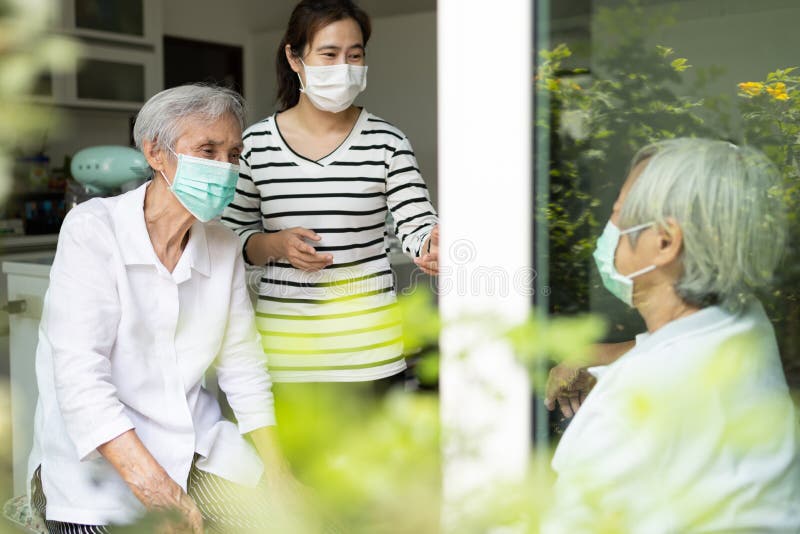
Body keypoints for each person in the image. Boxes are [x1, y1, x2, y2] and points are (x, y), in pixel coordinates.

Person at [27, 84, 301, 533]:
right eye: (207, 150)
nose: (224, 168)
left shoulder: (224, 244)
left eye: (233, 155)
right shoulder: (93, 229)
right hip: (98, 460)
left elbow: (243, 366)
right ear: (156, 152)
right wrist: (159, 491)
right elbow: (80, 379)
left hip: (192, 444)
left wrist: (280, 473)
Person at [543, 139, 800, 532]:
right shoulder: (745, 321)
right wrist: (598, 354)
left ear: (664, 241)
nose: (609, 230)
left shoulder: (632, 407)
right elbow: (674, 344)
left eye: (618, 214)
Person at [221, 0, 439, 386]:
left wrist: (430, 244)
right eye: (329, 54)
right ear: (294, 57)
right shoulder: (253, 145)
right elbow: (231, 238)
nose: (344, 67)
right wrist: (276, 246)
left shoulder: (387, 142)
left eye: (354, 56)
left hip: (372, 355)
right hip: (285, 356)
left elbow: (415, 221)